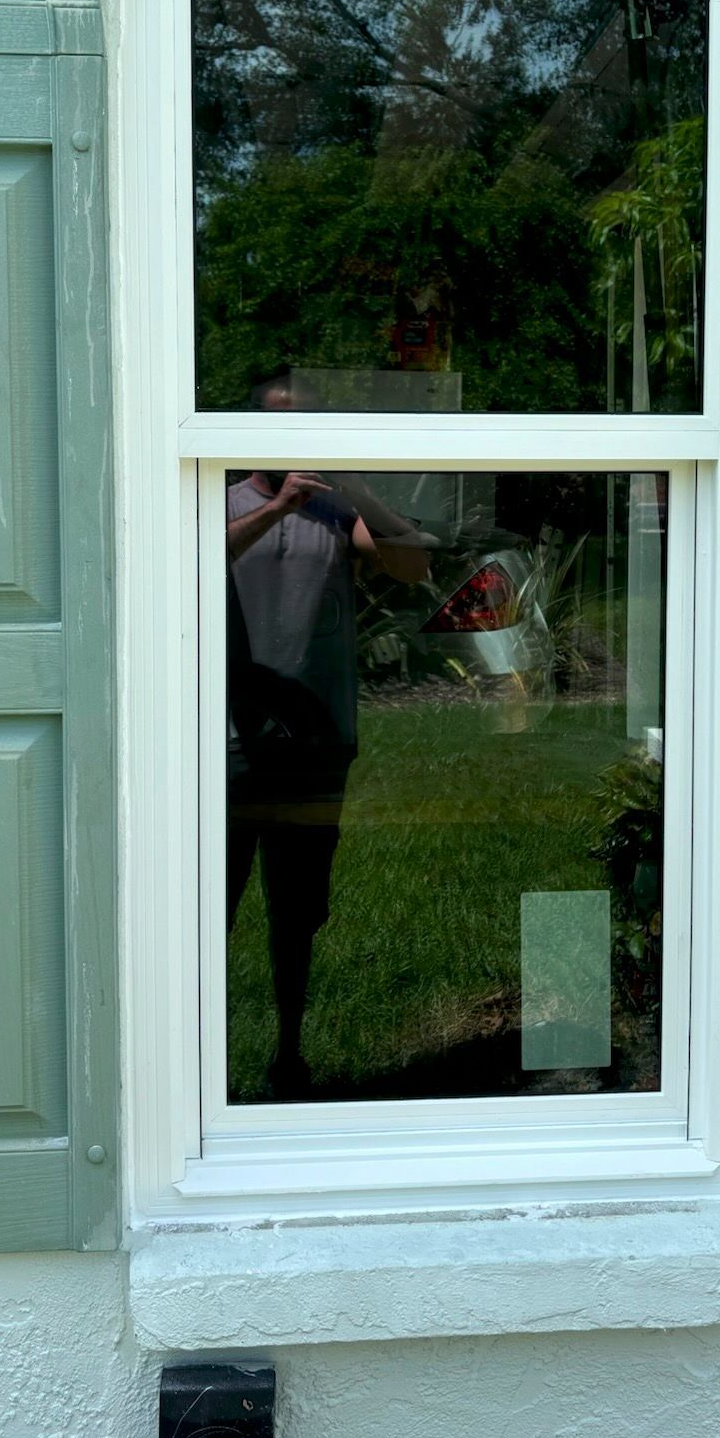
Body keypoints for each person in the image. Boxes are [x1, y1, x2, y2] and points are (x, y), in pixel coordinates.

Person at [226, 381, 430, 1098]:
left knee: (296, 911)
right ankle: (196, 1071)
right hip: (225, 743)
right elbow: (183, 558)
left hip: (316, 743)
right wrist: (278, 507)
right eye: (279, 424)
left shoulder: (336, 513)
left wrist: (351, 486)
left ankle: (289, 1056)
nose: (292, 437)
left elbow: (411, 562)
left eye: (305, 426)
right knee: (205, 907)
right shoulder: (215, 499)